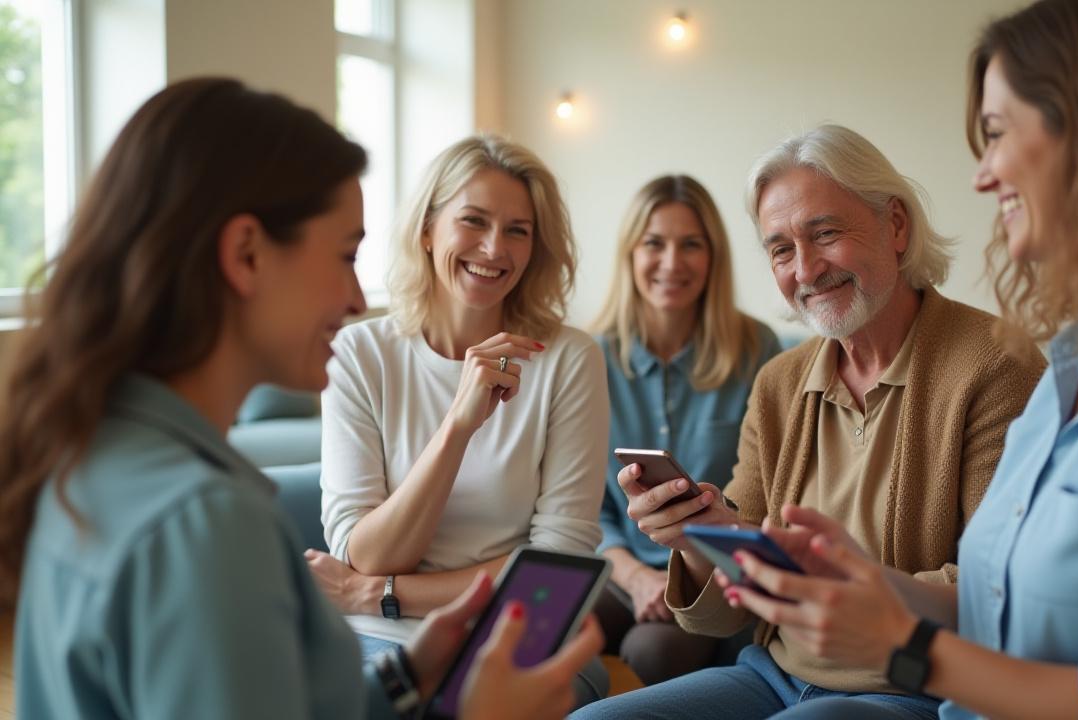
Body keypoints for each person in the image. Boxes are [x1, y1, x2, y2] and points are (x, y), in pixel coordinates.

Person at [716, 0, 1078, 718]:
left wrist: (899, 643)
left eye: (996, 134)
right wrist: (868, 583)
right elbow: (998, 603)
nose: (983, 175)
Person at [0, 78, 602, 719]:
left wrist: (402, 680)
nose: (355, 299)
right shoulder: (204, 522)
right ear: (246, 255)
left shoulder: (89, 461)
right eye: (345, 255)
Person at [574, 126, 1044, 719]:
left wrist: (854, 590)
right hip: (774, 675)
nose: (806, 269)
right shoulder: (780, 381)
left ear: (896, 226)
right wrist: (699, 540)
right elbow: (729, 608)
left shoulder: (995, 362)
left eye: (825, 234)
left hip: (916, 688)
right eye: (780, 250)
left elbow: (1004, 586)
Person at [308, 133, 611, 699]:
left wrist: (371, 593)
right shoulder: (359, 353)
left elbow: (556, 570)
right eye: (474, 221)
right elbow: (365, 552)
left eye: (518, 230)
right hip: (373, 638)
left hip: (511, 636)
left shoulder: (569, 358)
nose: (495, 248)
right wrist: (458, 426)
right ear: (427, 229)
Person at [590, 175, 782, 685]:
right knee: (550, 622)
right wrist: (636, 577)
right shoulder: (592, 358)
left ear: (713, 256)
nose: (672, 262)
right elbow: (588, 507)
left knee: (654, 650)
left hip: (709, 576)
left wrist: (684, 566)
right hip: (618, 567)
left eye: (691, 245)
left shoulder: (757, 349)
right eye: (654, 243)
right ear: (631, 253)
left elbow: (761, 494)